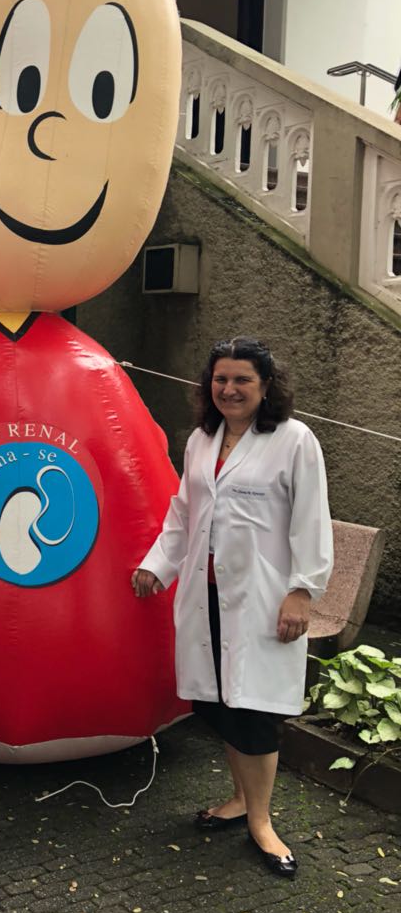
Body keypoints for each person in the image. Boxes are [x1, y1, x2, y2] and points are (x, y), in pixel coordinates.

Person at [132, 337, 333, 879]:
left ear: (266, 386)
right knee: (221, 705)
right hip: (207, 594)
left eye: (242, 379)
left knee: (255, 713)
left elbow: (312, 521)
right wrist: (158, 564)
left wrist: (302, 591)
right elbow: (183, 511)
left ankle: (262, 823)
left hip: (263, 600)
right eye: (221, 379)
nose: (230, 389)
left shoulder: (294, 441)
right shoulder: (202, 440)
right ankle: (241, 798)